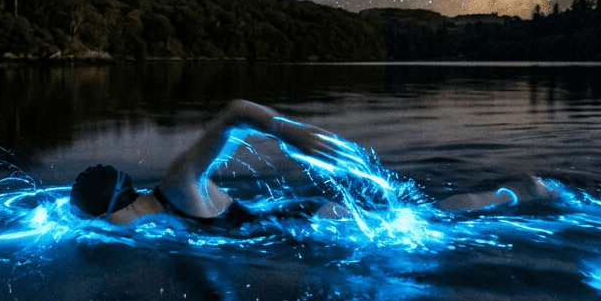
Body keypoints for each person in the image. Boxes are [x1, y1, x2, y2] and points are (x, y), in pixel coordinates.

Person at [69, 99, 550, 228]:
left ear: (114, 210)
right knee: (423, 217)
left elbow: (235, 112)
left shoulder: (177, 184)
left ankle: (519, 192)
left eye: (98, 220)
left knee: (430, 219)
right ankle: (516, 193)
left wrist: (289, 131)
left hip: (316, 222)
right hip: (304, 219)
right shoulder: (162, 213)